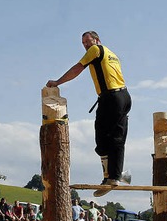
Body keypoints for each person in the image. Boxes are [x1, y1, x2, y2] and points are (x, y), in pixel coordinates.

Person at [46, 31, 132, 196]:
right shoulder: (112, 54)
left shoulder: (95, 50)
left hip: (112, 97)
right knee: (116, 137)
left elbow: (78, 68)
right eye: (83, 42)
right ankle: (114, 175)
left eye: (88, 41)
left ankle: (111, 176)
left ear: (97, 40)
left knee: (104, 136)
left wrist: (58, 82)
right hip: (123, 96)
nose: (85, 45)